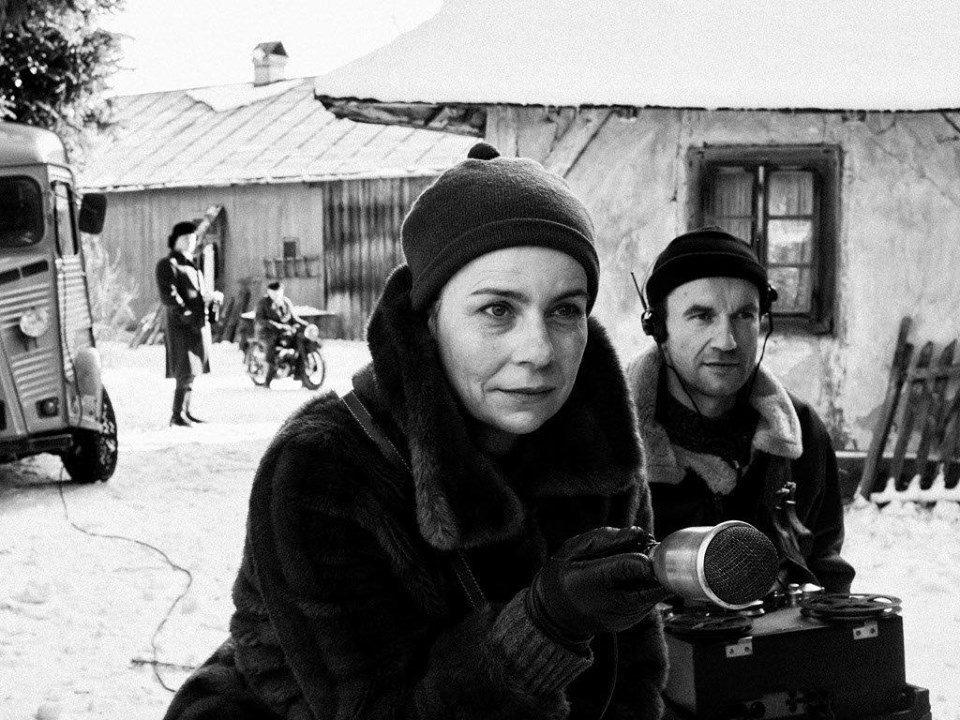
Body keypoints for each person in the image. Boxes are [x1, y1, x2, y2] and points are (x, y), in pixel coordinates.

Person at [163, 142, 670, 720]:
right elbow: (371, 709)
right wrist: (542, 628)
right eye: (498, 310)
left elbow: (634, 676)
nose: (539, 351)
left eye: (564, 310)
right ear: (430, 320)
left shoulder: (601, 460)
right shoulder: (323, 468)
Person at [625, 226, 855, 594]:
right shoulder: (608, 436)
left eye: (744, 315)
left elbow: (825, 569)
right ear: (658, 329)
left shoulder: (801, 432)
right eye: (702, 316)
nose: (727, 341)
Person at [156, 221, 216, 427]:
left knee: (193, 371)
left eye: (193, 238)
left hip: (197, 324)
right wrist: (185, 312)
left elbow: (196, 293)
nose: (191, 242)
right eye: (186, 238)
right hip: (181, 325)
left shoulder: (192, 265)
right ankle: (177, 413)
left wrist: (209, 300)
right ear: (176, 240)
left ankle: (186, 411)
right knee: (184, 369)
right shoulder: (169, 264)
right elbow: (169, 295)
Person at [254, 280, 305, 388]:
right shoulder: (263, 303)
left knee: (299, 342)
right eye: (273, 292)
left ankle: (301, 374)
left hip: (283, 332)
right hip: (266, 332)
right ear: (269, 292)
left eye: (278, 292)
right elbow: (259, 320)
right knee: (271, 348)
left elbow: (294, 318)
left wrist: (306, 325)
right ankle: (267, 380)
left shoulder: (286, 302)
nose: (276, 294)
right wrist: (275, 325)